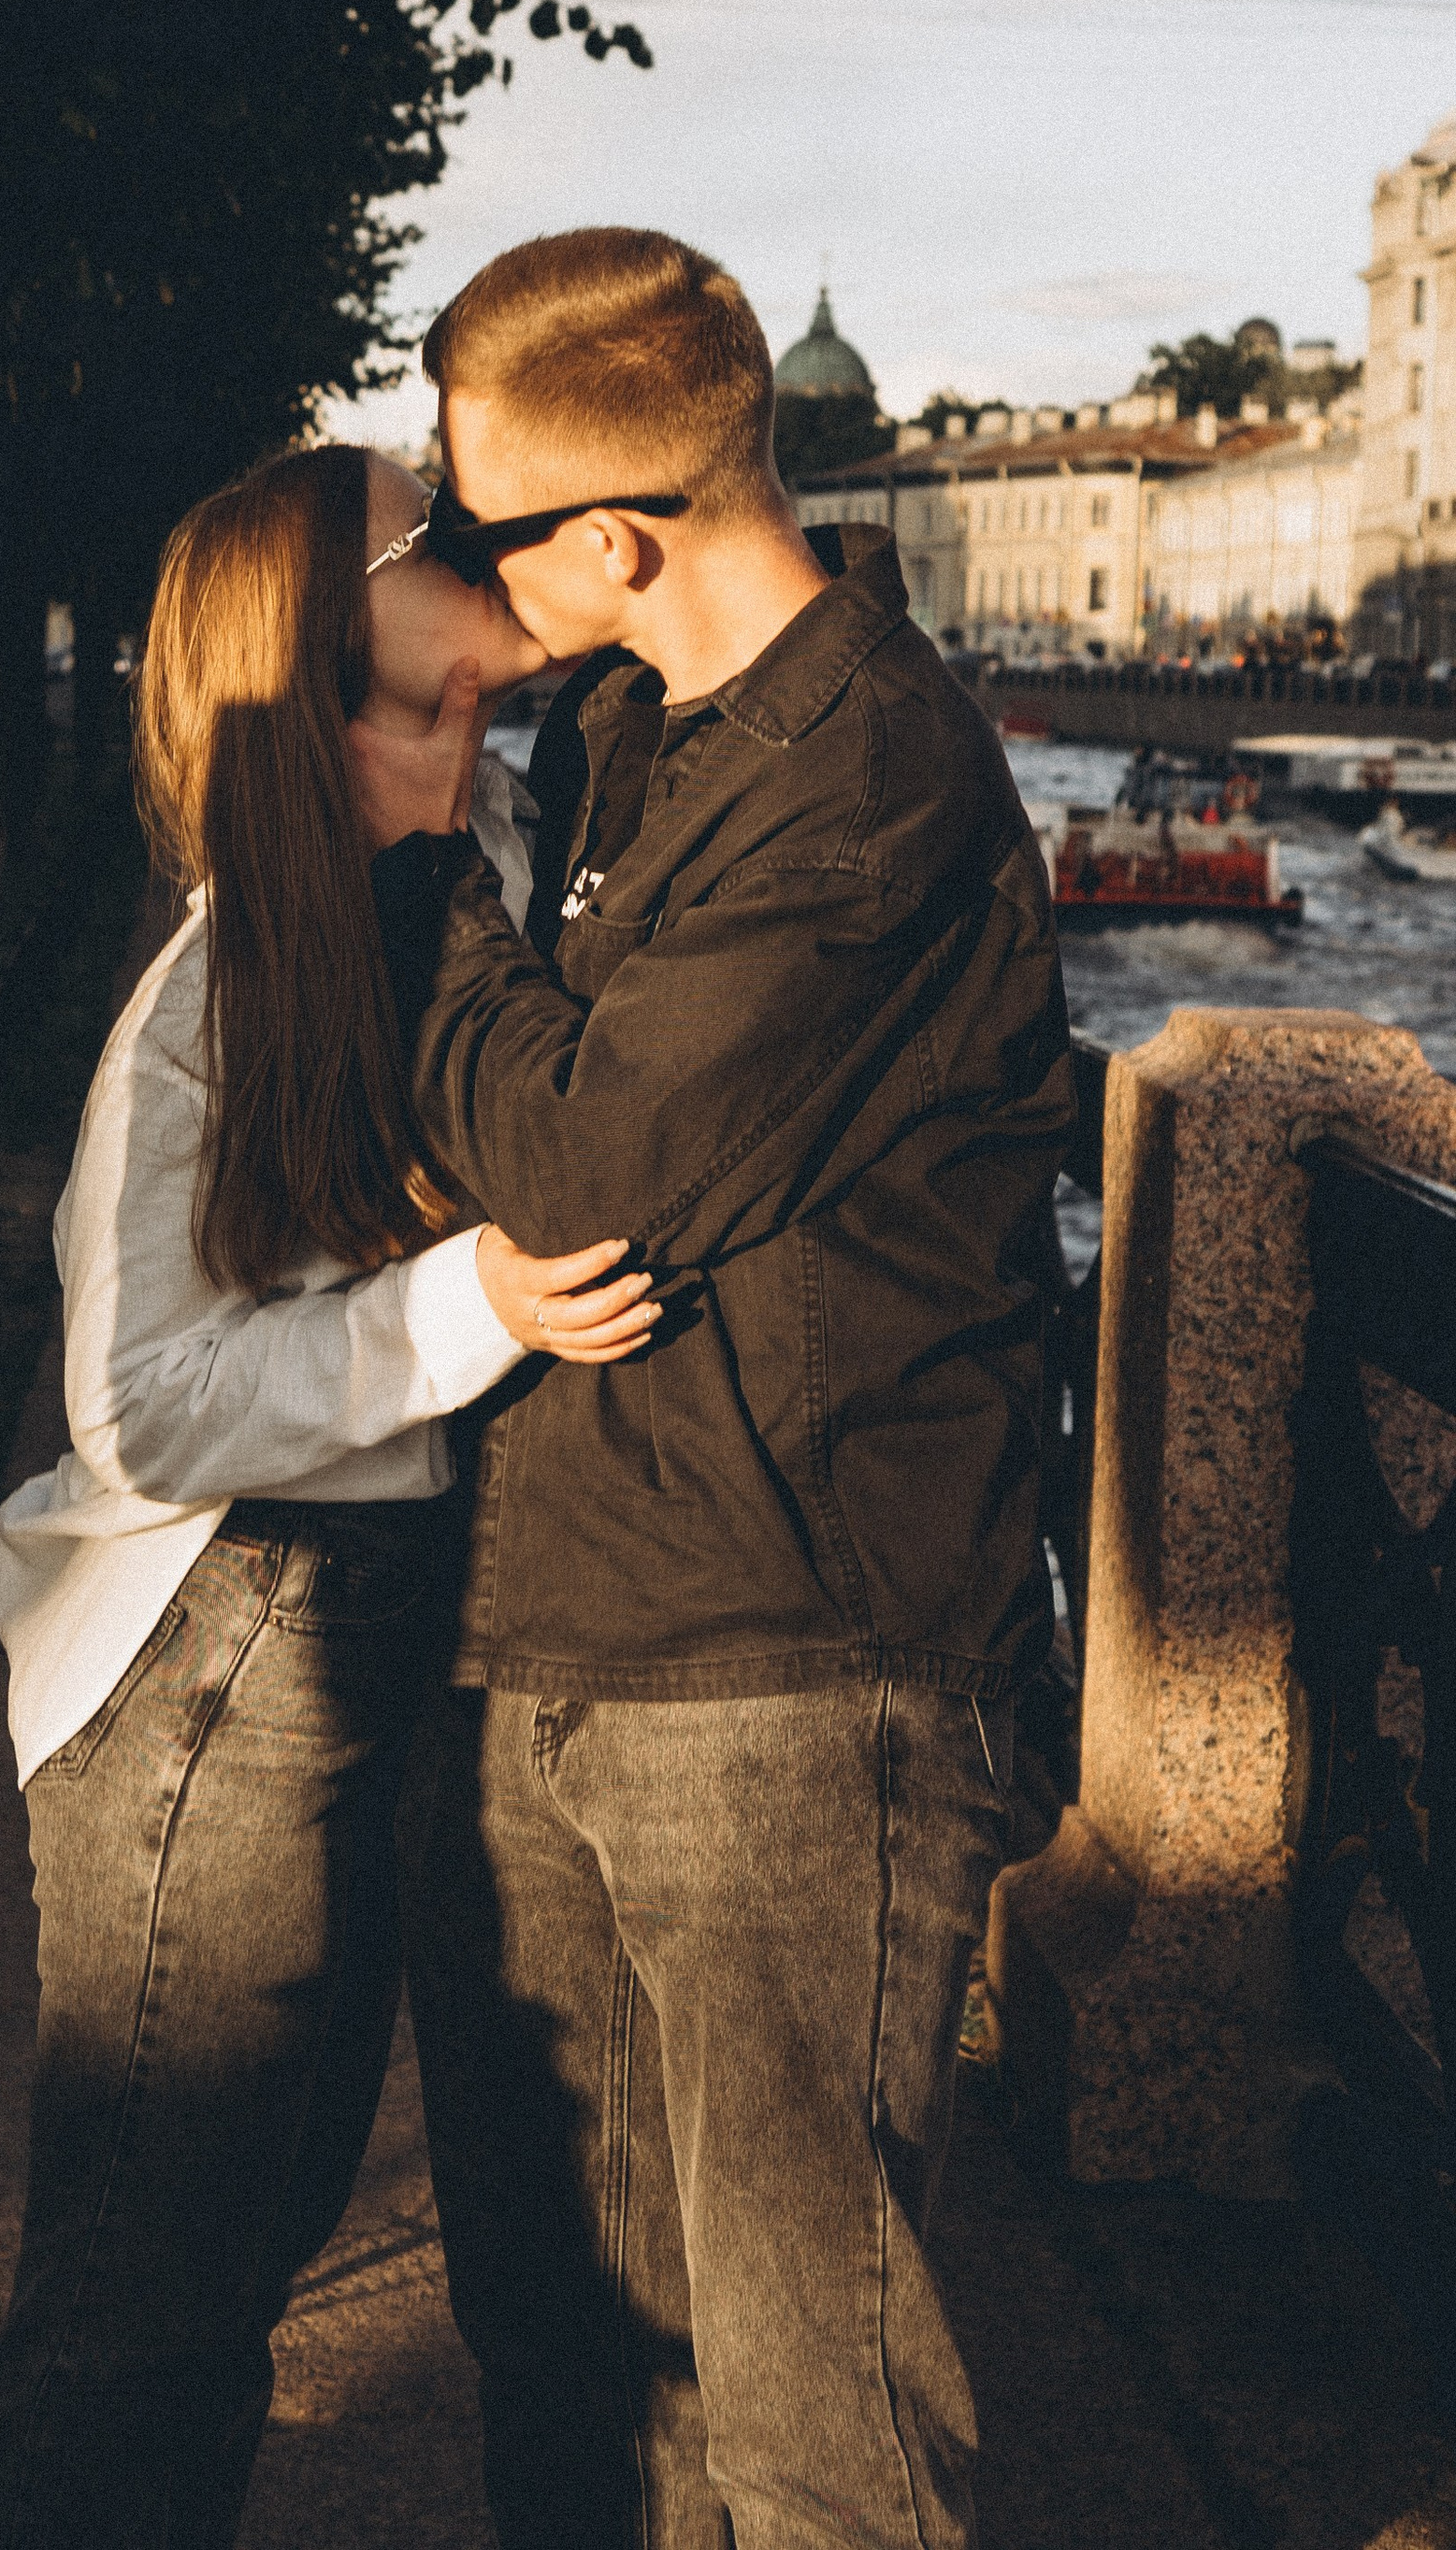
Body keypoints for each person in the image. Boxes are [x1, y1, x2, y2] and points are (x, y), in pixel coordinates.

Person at [345, 230, 1072, 2550]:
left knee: (804, 2422)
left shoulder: (867, 780)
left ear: (614, 538)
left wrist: (408, 873)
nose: (449, 577)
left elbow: (574, 1166)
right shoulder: (623, 723)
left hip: (794, 1675)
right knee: (564, 2361)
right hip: (552, 1626)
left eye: (472, 527)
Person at [0, 440, 652, 2550]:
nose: (464, 754)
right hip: (205, 1664)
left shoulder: (455, 849)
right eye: (412, 693)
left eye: (481, 715)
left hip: (341, 1642)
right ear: (294, 680)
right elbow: (141, 1412)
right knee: (148, 2303)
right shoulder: (214, 995)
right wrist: (471, 1307)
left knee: (216, 2267)